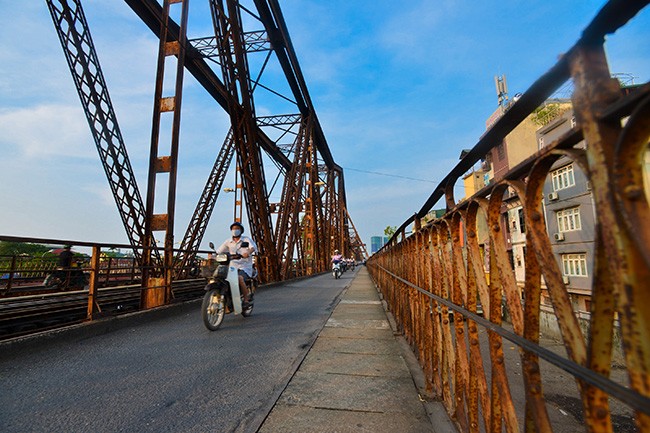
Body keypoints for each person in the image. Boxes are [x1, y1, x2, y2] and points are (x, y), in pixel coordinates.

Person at [216, 222, 258, 307]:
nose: (235, 230)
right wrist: (212, 256)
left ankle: (246, 300)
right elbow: (219, 251)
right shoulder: (228, 241)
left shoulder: (246, 239)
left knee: (239, 278)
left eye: (237, 228)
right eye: (233, 229)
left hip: (244, 267)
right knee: (220, 278)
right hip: (232, 267)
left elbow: (253, 247)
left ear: (241, 230)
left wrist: (248, 252)